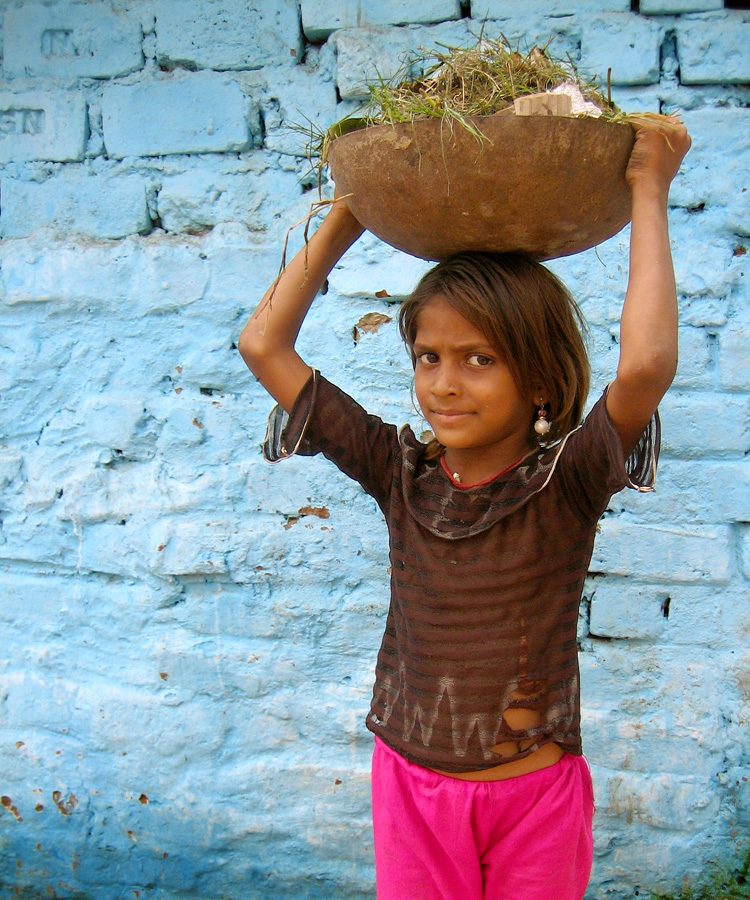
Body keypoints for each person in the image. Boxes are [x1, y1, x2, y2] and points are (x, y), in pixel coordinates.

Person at [238, 114, 691, 900]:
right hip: (413, 793)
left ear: (541, 381)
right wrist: (354, 207)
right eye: (429, 357)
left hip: (533, 799)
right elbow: (263, 347)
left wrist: (648, 188)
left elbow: (647, 363)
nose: (445, 383)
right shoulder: (397, 471)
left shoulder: (568, 482)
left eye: (481, 359)